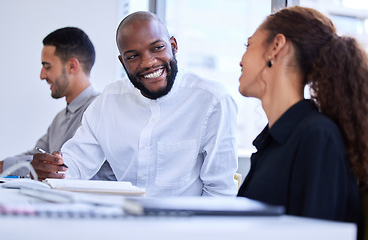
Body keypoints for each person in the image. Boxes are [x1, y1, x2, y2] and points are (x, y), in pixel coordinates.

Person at [31, 11, 239, 197]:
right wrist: (53, 170)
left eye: (157, 48)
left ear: (173, 46)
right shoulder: (108, 101)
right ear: (122, 62)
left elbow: (219, 193)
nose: (148, 62)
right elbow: (74, 165)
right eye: (133, 56)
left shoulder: (212, 100)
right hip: (124, 224)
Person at [237, 6, 367, 225]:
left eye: (248, 45)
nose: (241, 59)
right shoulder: (275, 140)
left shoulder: (317, 137)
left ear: (276, 46)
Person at [0, 27, 115, 180]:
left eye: (47, 66)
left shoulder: (100, 110)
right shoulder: (60, 118)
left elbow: (56, 167)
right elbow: (35, 158)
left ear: (72, 66)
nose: (41, 75)